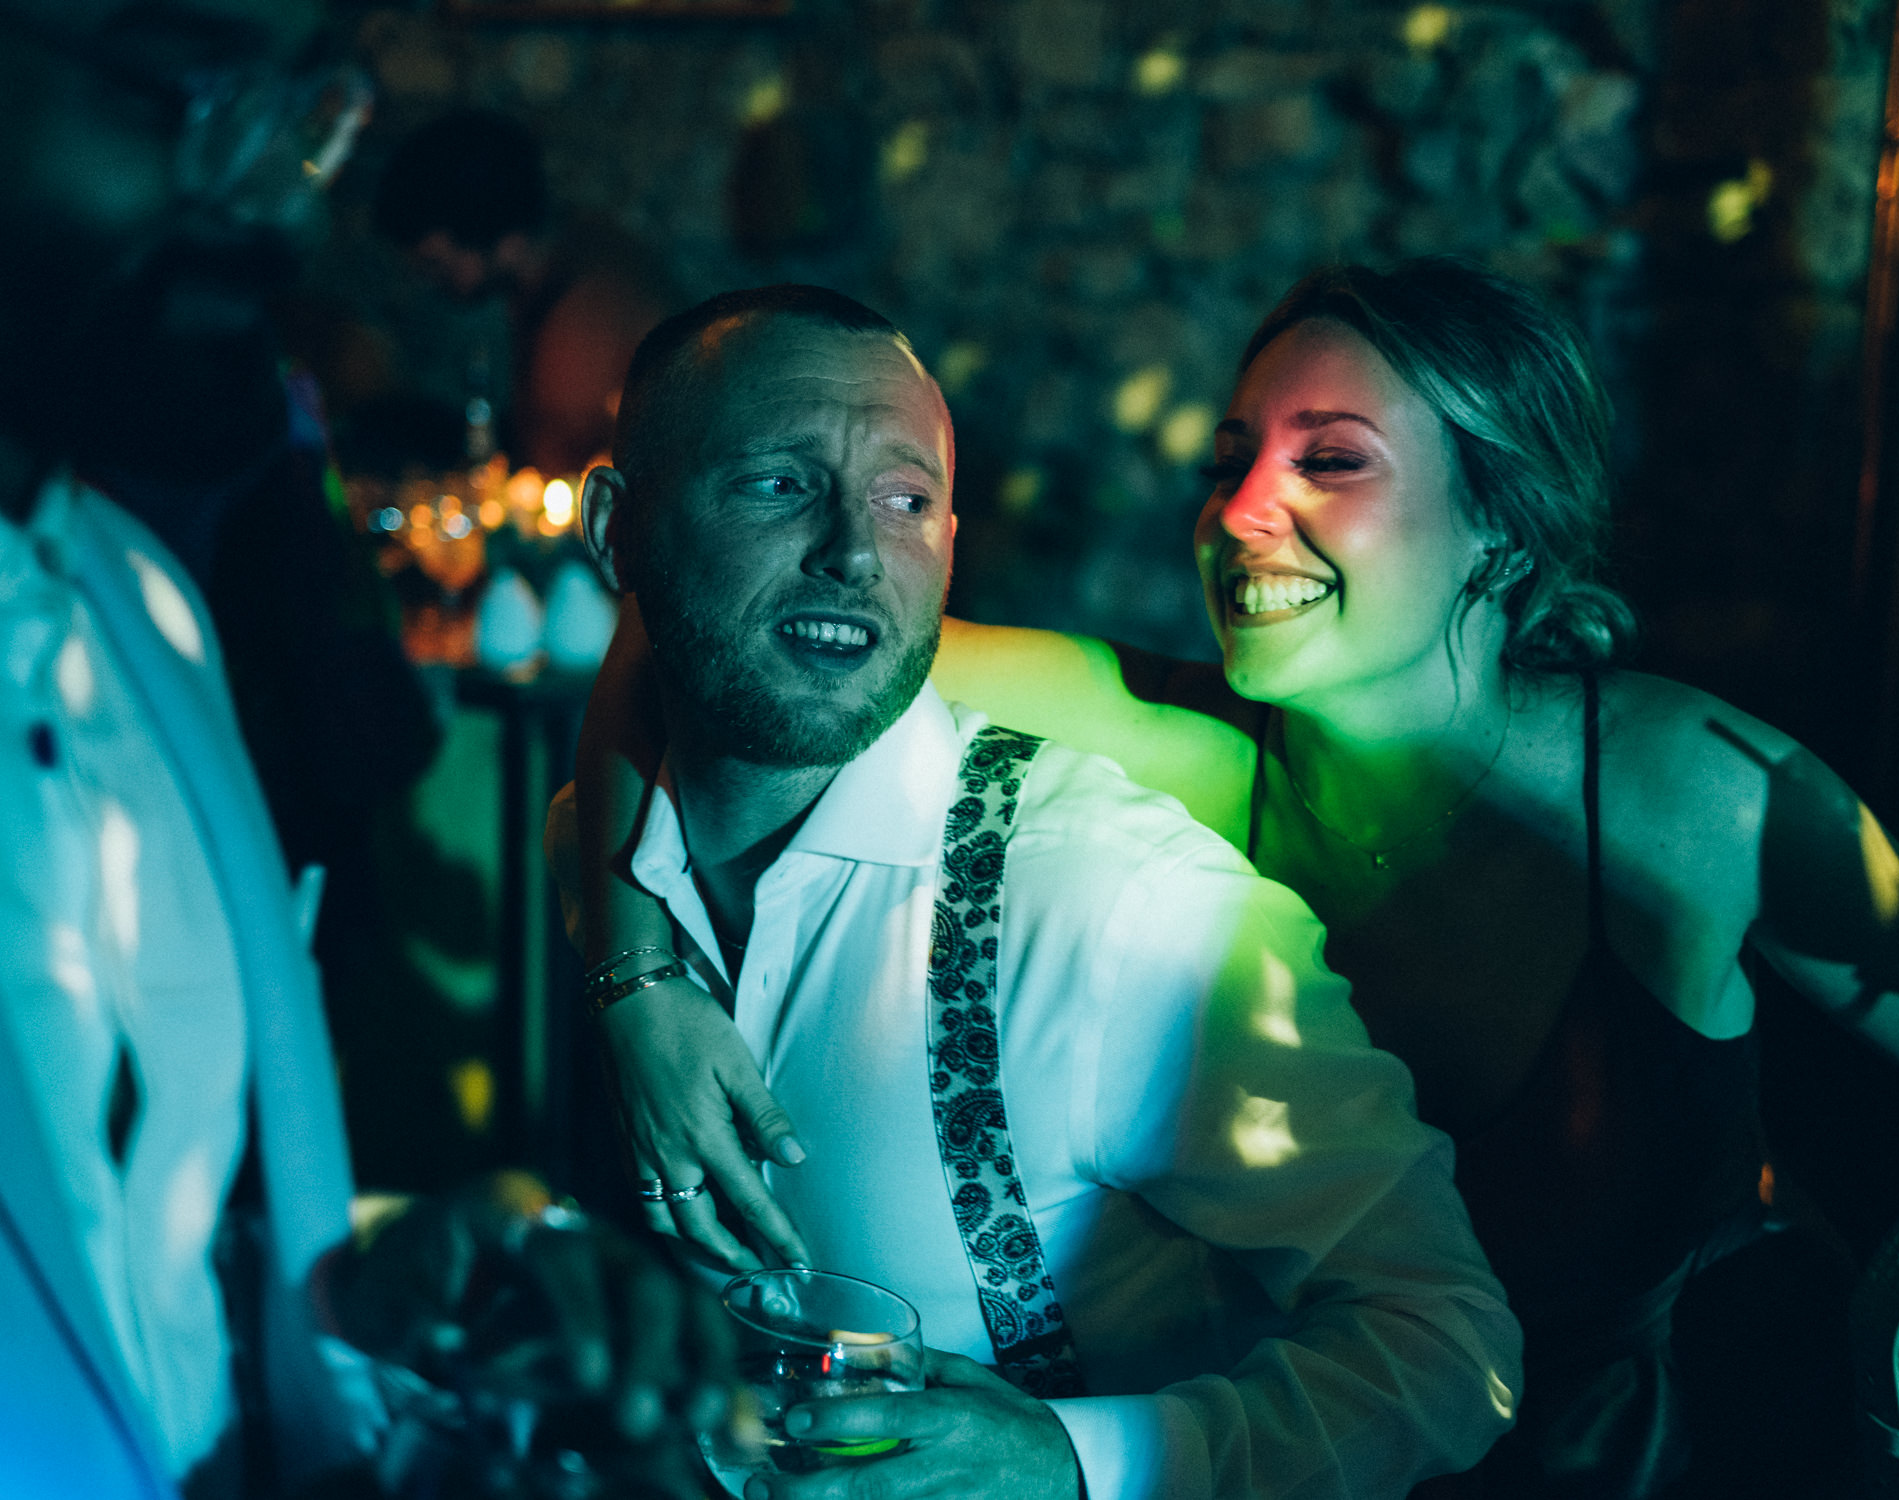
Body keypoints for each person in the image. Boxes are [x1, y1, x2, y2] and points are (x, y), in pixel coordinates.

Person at [572, 258, 1899, 1497]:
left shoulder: (1672, 792)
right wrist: (636, 974)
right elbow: (723, 645)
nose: (1242, 508)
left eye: (1332, 460)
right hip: (1348, 1458)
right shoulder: (1180, 743)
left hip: (1686, 1464)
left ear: (1497, 524)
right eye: (1233, 455)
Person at [547, 284, 1524, 1500]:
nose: (853, 551)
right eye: (778, 483)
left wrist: (1077, 1460)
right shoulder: (594, 856)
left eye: (905, 500)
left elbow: (1451, 1347)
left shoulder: (1123, 912)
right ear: (617, 530)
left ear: (950, 543)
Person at [0, 4, 728, 1495]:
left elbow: (132, 1254)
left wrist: (372, 1296)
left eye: (303, 114)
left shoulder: (135, 608)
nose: (281, 205)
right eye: (189, 83)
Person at [373, 108, 674, 477]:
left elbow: (562, 463)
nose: (428, 281)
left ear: (503, 240)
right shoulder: (567, 265)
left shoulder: (584, 318)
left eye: (435, 263)